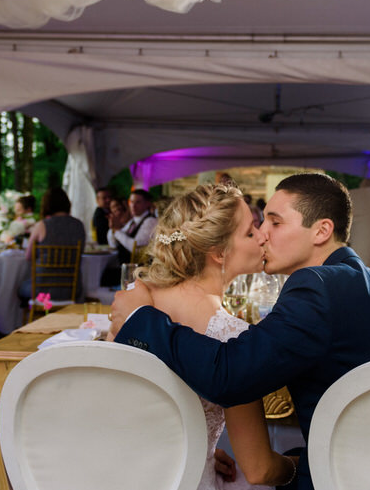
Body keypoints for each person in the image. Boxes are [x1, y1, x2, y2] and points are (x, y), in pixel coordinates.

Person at [109, 173, 370, 490]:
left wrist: (141, 317)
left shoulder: (317, 287)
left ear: (321, 231)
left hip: (361, 475)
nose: (263, 233)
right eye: (257, 225)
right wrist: (197, 451)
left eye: (275, 222)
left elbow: (230, 373)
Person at [115, 183, 295, 489]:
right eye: (251, 231)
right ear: (218, 253)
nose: (263, 235)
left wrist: (200, 450)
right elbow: (260, 470)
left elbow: (129, 417)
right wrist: (300, 466)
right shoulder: (234, 338)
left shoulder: (131, 305)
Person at [18, 188, 86, 302]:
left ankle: (36, 315)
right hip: (72, 290)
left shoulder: (42, 225)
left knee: (20, 289)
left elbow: (28, 256)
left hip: (42, 290)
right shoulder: (79, 225)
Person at [108, 189, 157, 264]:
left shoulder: (150, 221)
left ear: (147, 203)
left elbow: (135, 248)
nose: (133, 206)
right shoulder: (133, 221)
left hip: (137, 268)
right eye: (131, 202)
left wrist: (117, 231)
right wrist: (113, 229)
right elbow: (113, 244)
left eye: (138, 202)